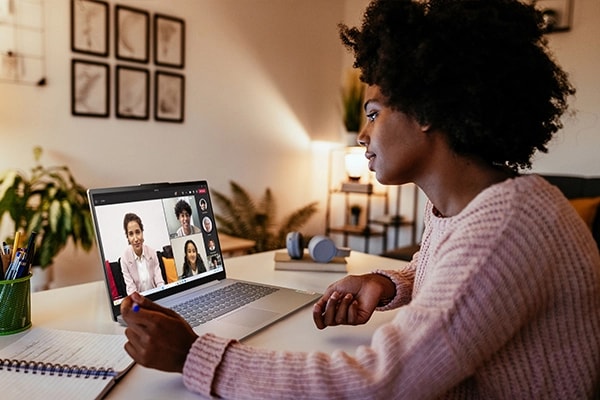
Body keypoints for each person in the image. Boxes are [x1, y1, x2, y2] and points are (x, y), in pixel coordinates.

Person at [120, 1, 600, 398]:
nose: (361, 134)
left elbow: (376, 385)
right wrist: (386, 283)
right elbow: (455, 275)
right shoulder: (476, 208)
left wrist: (191, 355)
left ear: (428, 109)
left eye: (373, 112)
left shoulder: (505, 227)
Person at [120, 212, 165, 295]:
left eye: (137, 232)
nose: (136, 238)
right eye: (131, 234)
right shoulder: (124, 259)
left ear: (142, 232)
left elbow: (159, 282)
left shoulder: (152, 253)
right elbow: (131, 291)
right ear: (127, 237)